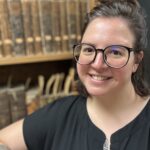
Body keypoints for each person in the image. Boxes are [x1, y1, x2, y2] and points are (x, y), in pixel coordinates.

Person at [0, 0, 150, 149]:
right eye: (89, 49)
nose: (97, 64)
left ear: (136, 60)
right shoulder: (59, 115)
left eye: (115, 52)